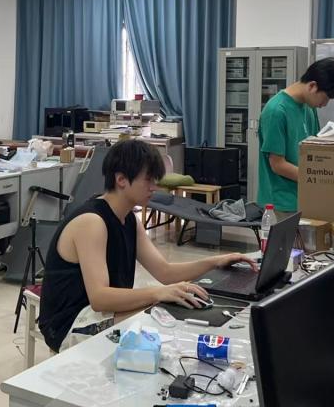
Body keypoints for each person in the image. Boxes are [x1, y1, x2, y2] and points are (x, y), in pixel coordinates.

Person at [38, 139, 258, 352]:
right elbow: (100, 298)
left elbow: (165, 272)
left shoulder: (129, 219)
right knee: (163, 318)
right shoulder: (92, 222)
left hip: (102, 311)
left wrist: (216, 262)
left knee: (173, 311)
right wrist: (159, 292)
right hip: (69, 323)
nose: (154, 187)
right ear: (121, 179)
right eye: (148, 180)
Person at [257, 57, 334, 213]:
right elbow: (278, 165)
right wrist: (318, 179)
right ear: (312, 86)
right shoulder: (276, 111)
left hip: (306, 196)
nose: (325, 104)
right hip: (282, 203)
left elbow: (314, 149)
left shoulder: (309, 108)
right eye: (326, 98)